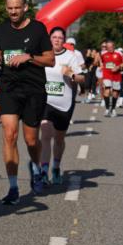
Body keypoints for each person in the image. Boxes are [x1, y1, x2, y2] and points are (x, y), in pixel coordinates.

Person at [0, 0, 53, 203]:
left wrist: (29, 57)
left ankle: (36, 168)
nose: (13, 11)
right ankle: (13, 187)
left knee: (31, 140)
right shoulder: (1, 30)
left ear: (25, 7)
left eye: (17, 7)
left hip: (34, 89)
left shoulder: (38, 29)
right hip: (9, 88)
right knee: (9, 135)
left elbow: (50, 59)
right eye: (10, 8)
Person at [39, 27, 85, 185]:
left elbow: (81, 79)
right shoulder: (43, 54)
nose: (57, 40)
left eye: (60, 37)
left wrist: (71, 74)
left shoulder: (71, 57)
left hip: (64, 104)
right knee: (45, 135)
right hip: (45, 101)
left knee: (59, 139)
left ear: (63, 41)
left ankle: (56, 168)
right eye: (54, 37)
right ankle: (44, 172)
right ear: (50, 39)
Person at [99, 40, 123, 117]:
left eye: (111, 47)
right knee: (107, 90)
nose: (110, 48)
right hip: (107, 75)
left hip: (116, 75)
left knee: (115, 93)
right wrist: (101, 67)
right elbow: (101, 61)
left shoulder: (119, 53)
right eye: (108, 47)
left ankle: (113, 109)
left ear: (114, 46)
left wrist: (118, 67)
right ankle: (107, 109)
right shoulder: (103, 54)